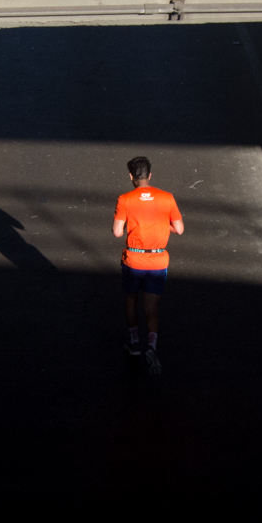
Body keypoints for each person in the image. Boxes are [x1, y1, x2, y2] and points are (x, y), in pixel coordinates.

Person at [112, 156, 184, 375]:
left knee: (131, 301)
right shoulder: (167, 198)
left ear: (131, 176)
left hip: (133, 260)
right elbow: (179, 229)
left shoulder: (125, 199)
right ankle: (151, 347)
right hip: (158, 261)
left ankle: (134, 344)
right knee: (151, 309)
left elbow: (117, 232)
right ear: (150, 175)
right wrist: (163, 225)